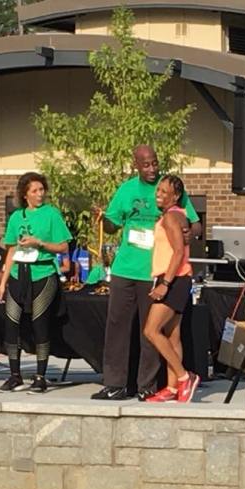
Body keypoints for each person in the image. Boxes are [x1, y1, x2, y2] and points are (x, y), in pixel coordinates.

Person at [90, 144, 201, 401]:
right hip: (125, 267)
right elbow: (112, 225)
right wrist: (103, 219)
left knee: (150, 331)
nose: (152, 169)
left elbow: (195, 224)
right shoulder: (127, 189)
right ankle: (115, 384)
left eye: (155, 163)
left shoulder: (170, 189)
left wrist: (189, 233)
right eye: (146, 165)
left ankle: (147, 385)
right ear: (136, 166)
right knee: (117, 326)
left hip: (154, 272)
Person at [0, 172, 72, 393]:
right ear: (25, 194)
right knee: (11, 323)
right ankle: (14, 375)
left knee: (40, 323)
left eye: (41, 190)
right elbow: (11, 250)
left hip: (43, 272)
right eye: (35, 191)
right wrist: (2, 283)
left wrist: (40, 243)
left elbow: (63, 246)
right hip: (19, 273)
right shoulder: (16, 217)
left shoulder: (51, 214)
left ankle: (40, 376)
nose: (40, 194)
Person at [143, 175, 199, 403]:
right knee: (172, 335)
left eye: (164, 192)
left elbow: (178, 252)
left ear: (175, 196)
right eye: (158, 190)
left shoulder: (171, 217)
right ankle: (172, 388)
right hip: (174, 277)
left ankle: (185, 377)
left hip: (174, 279)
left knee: (151, 330)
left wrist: (165, 284)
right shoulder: (175, 215)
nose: (159, 195)